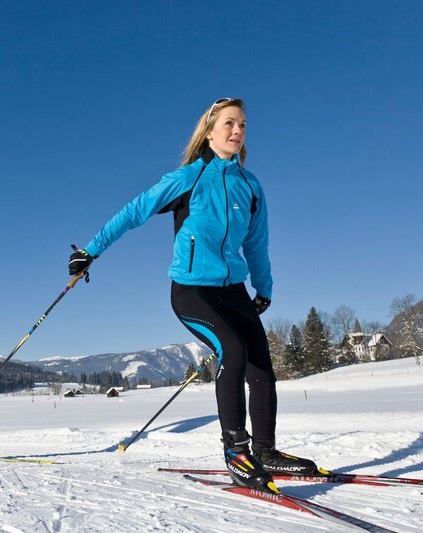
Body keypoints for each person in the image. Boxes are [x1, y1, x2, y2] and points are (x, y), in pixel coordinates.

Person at [68, 98, 321, 493]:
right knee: (232, 353)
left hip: (233, 290)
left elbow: (257, 245)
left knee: (262, 371)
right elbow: (134, 211)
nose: (237, 131)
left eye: (242, 125)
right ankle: (236, 454)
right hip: (191, 291)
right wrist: (91, 250)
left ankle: (266, 452)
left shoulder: (251, 186)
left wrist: (264, 289)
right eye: (229, 124)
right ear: (209, 131)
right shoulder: (188, 177)